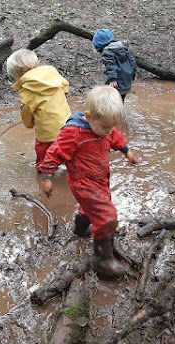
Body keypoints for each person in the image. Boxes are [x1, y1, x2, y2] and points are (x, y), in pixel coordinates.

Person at [38, 86, 137, 278]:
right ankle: (102, 260)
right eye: (104, 127)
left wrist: (126, 151)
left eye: (111, 126)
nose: (107, 132)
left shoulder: (105, 128)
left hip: (100, 178)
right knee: (107, 216)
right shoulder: (74, 133)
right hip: (83, 182)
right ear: (89, 116)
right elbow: (54, 152)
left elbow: (115, 136)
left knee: (92, 208)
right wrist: (46, 176)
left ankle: (81, 229)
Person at [6, 49, 71, 168]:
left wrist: (29, 124)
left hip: (47, 133)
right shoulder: (52, 73)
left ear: (18, 75)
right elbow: (66, 86)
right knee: (69, 154)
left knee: (44, 160)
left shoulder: (26, 91)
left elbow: (27, 114)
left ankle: (43, 174)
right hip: (69, 126)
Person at [92, 28, 137, 103]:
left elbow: (111, 66)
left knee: (112, 103)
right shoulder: (123, 48)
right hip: (126, 81)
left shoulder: (107, 52)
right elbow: (132, 61)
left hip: (116, 83)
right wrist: (134, 73)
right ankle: (120, 112)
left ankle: (112, 114)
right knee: (120, 101)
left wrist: (112, 79)